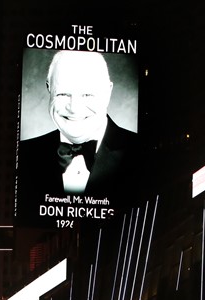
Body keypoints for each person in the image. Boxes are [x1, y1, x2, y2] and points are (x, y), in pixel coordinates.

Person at [16, 50, 140, 221]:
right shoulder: (23, 154)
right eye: (63, 94)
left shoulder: (142, 153)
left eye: (87, 94)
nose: (74, 108)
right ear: (48, 88)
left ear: (108, 92)